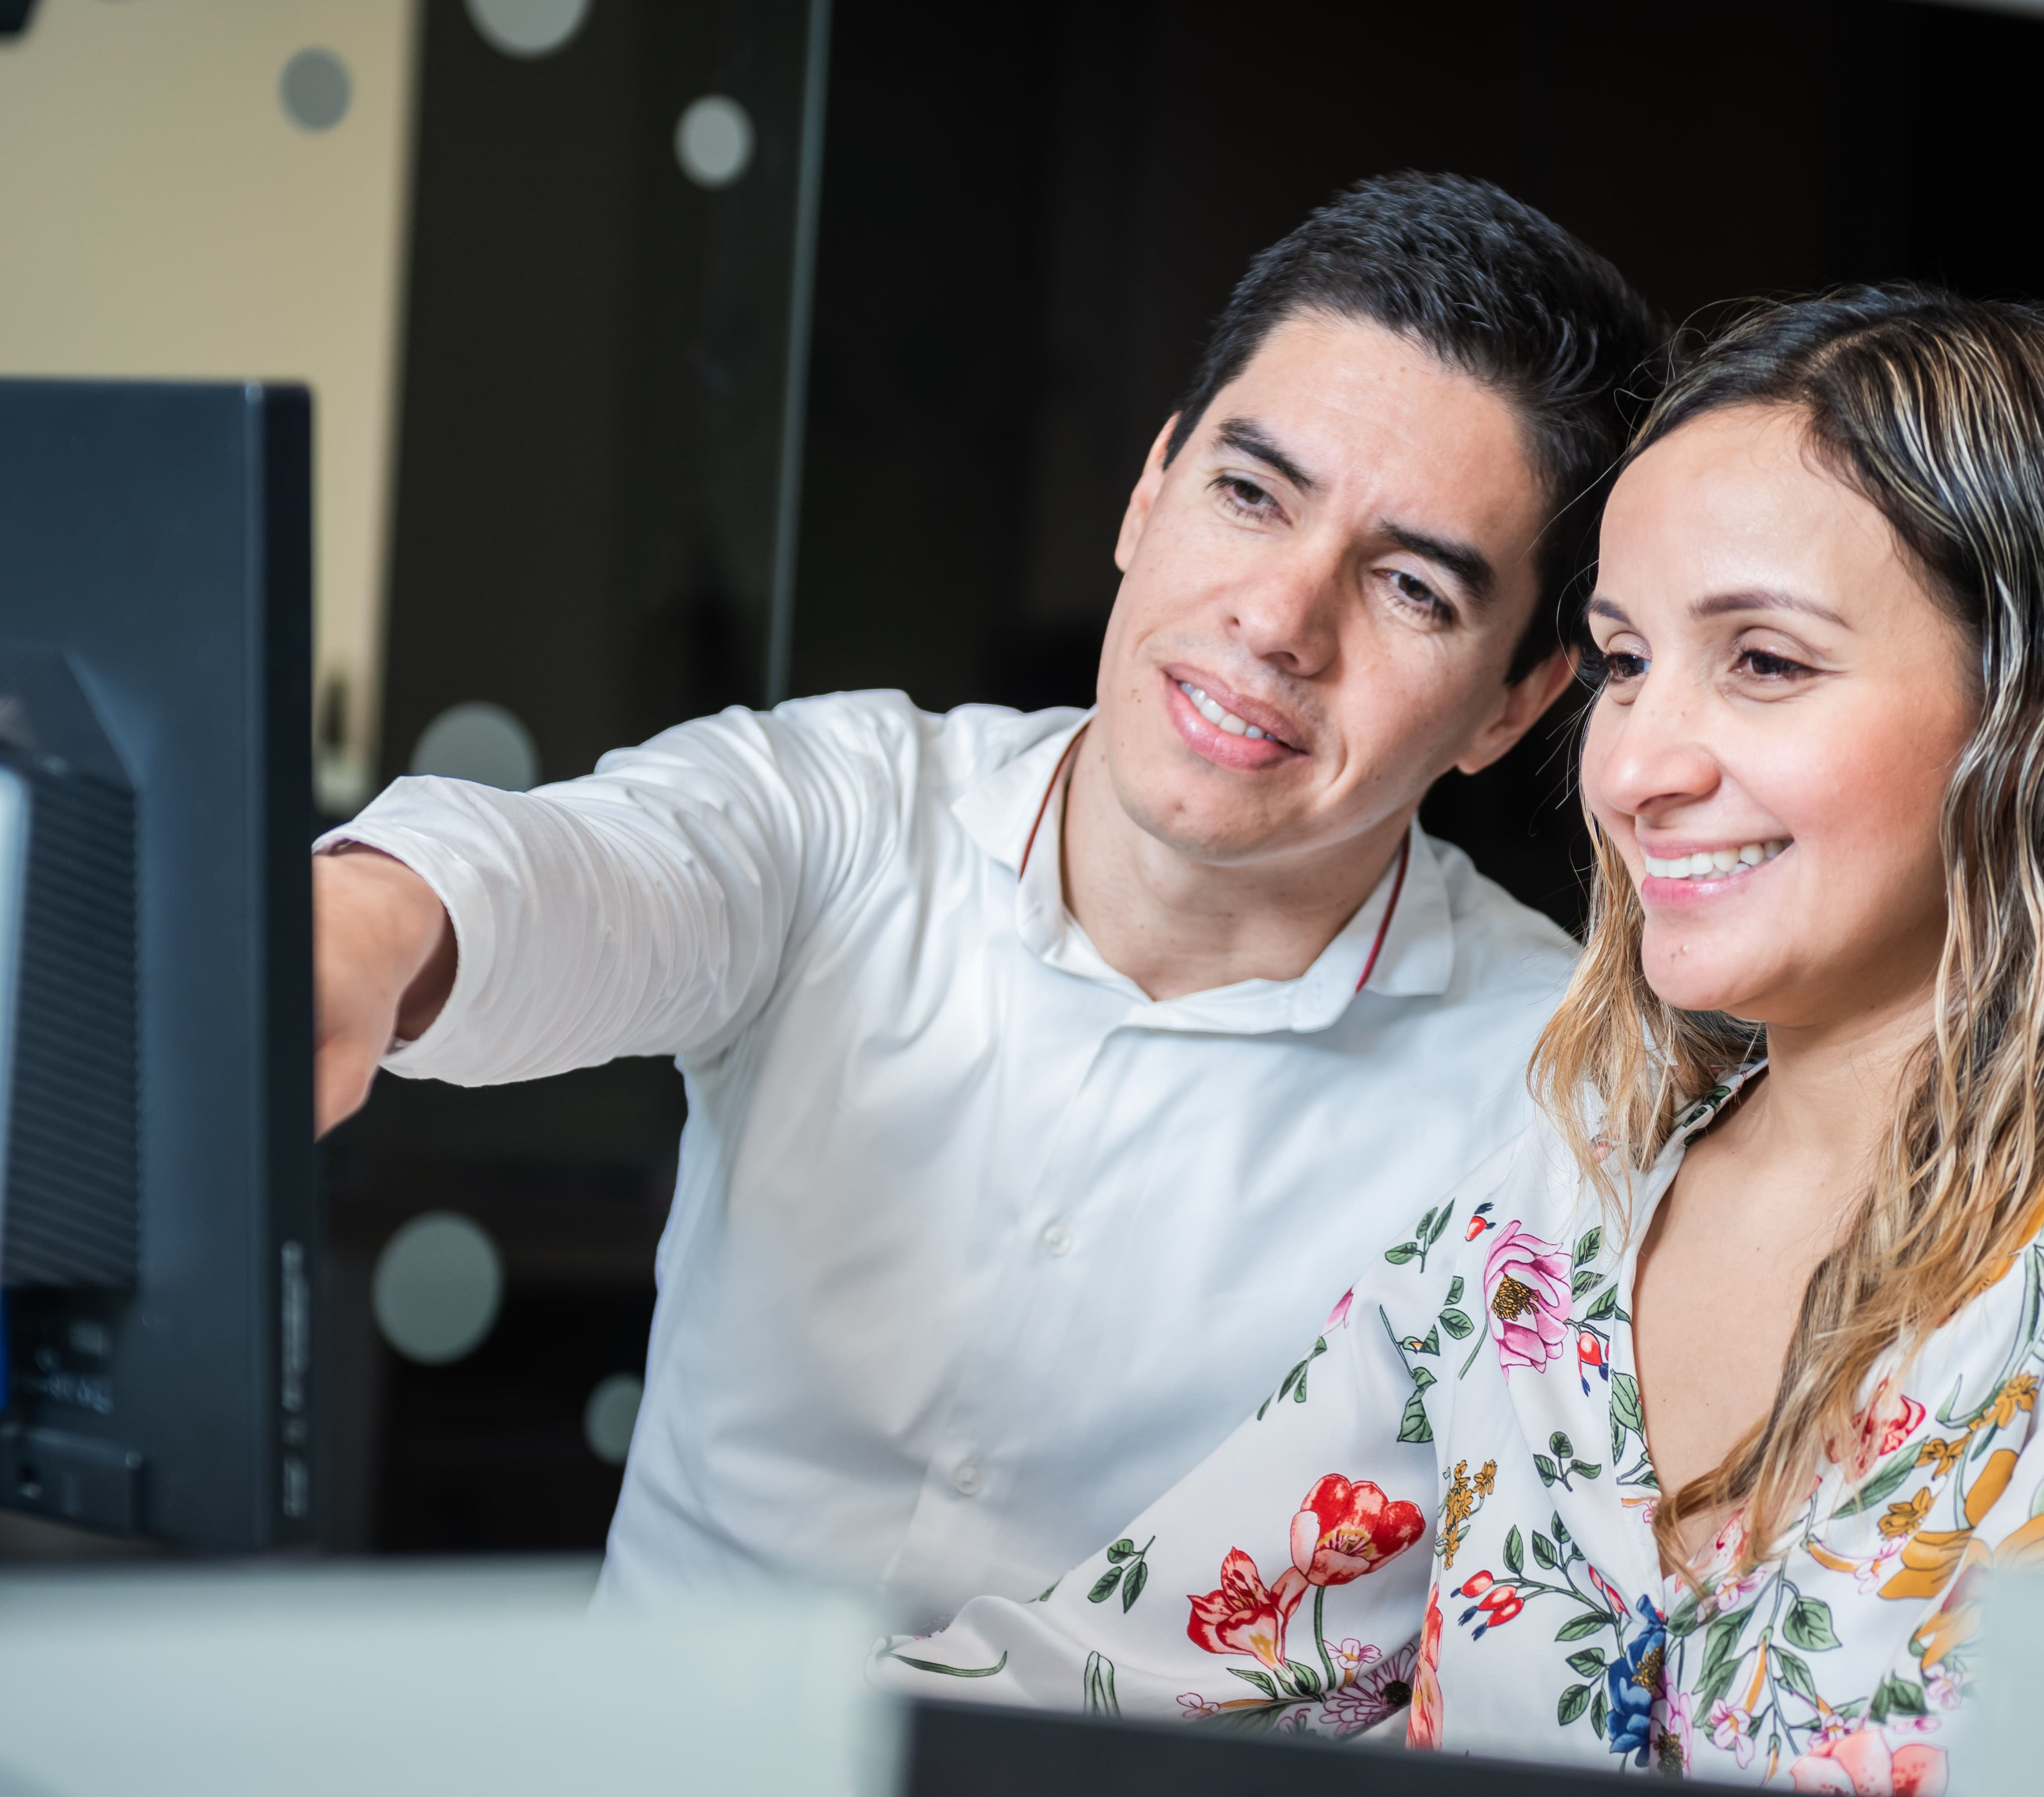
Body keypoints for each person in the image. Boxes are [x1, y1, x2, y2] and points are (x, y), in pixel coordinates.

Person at [312, 174, 1661, 1621]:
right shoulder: (849, 812)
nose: (1276, 621)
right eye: (1250, 495)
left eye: (1410, 589)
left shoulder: (1567, 1102)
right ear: (1150, 494)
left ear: (1515, 704)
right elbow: (583, 872)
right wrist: (357, 932)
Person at [872, 283, 2044, 1791]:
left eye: (1763, 661)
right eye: (1625, 663)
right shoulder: (1539, 1235)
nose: (1637, 770)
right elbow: (1096, 1680)